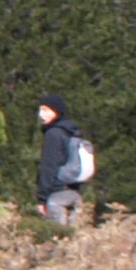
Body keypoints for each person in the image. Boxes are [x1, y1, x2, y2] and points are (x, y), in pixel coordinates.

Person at [37, 93, 95, 227]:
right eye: (40, 110)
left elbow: (49, 167)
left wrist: (42, 199)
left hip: (56, 193)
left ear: (56, 111)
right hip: (73, 192)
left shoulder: (53, 134)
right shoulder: (70, 132)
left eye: (46, 110)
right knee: (74, 233)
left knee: (58, 233)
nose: (41, 114)